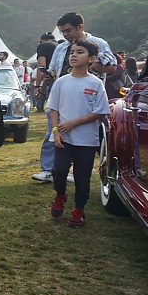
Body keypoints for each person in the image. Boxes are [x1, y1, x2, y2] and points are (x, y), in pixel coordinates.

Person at [32, 12, 117, 183]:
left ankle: (77, 171)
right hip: (62, 97)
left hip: (87, 99)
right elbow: (54, 69)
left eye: (68, 30)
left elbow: (112, 67)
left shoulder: (98, 44)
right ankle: (49, 169)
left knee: (83, 136)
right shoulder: (61, 47)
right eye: (62, 31)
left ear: (80, 27)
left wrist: (89, 63)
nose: (65, 35)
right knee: (53, 133)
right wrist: (49, 75)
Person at [47, 39, 110, 227]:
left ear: (91, 58)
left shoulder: (96, 83)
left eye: (79, 52)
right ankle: (60, 195)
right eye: (72, 52)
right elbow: (53, 109)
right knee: (58, 171)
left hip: (87, 140)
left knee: (82, 178)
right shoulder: (61, 82)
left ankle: (79, 210)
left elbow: (100, 111)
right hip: (63, 137)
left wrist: (75, 122)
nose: (73, 55)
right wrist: (56, 131)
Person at [34, 33, 58, 112]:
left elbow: (41, 65)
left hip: (51, 78)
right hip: (63, 77)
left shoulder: (42, 46)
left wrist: (37, 86)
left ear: (42, 41)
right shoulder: (60, 46)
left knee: (52, 108)